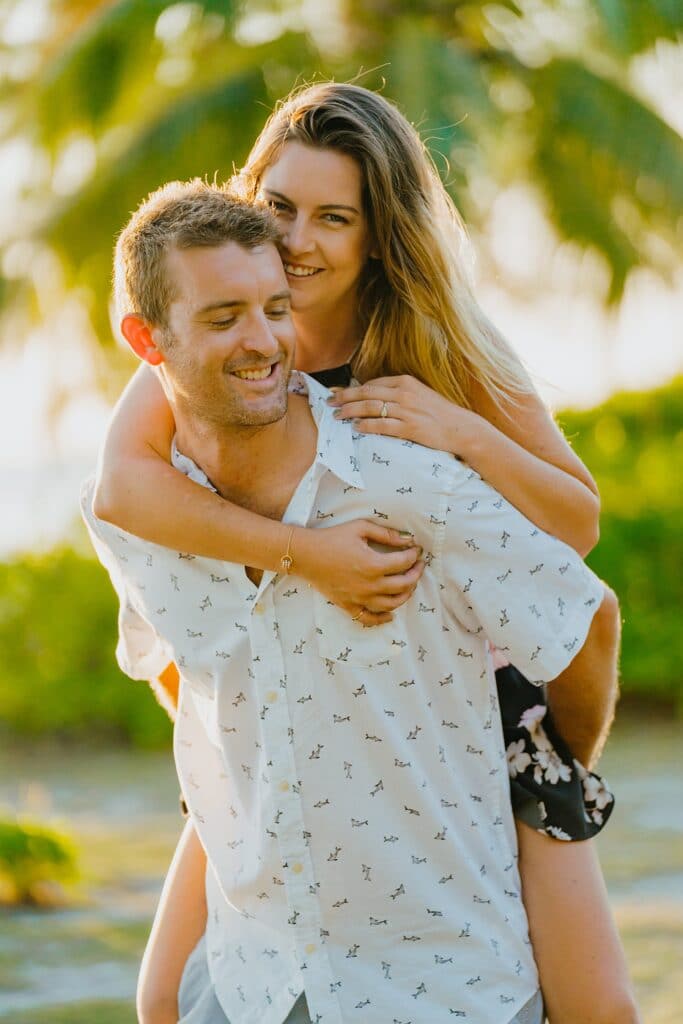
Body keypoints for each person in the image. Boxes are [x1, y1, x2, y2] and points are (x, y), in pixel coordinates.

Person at [93, 85, 639, 1023]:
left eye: (333, 217)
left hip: (473, 704)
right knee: (161, 998)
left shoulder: (438, 343)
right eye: (279, 208)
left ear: (378, 234)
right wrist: (306, 558)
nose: (298, 240)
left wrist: (460, 431)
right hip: (282, 710)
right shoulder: (235, 341)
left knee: (597, 1007)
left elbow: (575, 527)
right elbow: (124, 494)